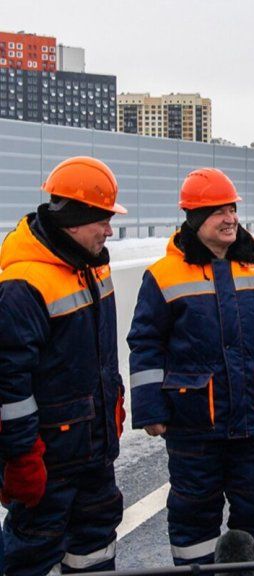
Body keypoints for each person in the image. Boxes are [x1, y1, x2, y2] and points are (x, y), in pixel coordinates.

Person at [127, 168, 254, 568]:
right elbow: (145, 343)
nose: (229, 218)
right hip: (193, 424)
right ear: (194, 219)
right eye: (217, 211)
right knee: (194, 513)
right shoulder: (163, 275)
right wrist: (150, 409)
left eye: (232, 209)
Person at [0, 157, 127, 574]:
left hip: (93, 453)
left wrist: (114, 403)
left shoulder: (91, 267)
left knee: (94, 551)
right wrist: (21, 458)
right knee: (32, 555)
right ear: (75, 219)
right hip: (48, 463)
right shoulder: (23, 286)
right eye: (102, 220)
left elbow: (102, 358)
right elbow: (9, 388)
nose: (109, 230)